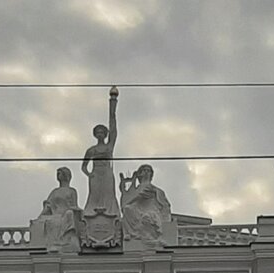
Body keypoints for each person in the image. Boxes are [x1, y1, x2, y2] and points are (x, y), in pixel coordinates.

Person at [81, 88, 119, 216]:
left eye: (102, 132)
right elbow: (83, 166)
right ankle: (92, 215)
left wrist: (113, 104)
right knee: (95, 195)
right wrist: (89, 174)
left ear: (105, 134)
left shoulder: (109, 147)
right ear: (95, 134)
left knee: (108, 194)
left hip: (107, 172)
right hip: (96, 174)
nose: (100, 134)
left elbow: (113, 127)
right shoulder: (91, 150)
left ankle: (110, 214)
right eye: (98, 132)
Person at [119, 164, 172, 244]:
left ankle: (147, 237)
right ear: (139, 174)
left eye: (148, 171)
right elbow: (126, 203)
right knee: (127, 209)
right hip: (137, 210)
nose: (146, 172)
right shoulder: (134, 190)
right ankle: (131, 234)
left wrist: (155, 193)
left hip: (151, 210)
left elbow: (165, 205)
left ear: (151, 175)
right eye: (144, 170)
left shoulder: (156, 190)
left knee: (147, 216)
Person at [35, 167, 79, 251]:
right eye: (57, 173)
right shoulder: (54, 191)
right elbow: (48, 206)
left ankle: (64, 239)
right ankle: (58, 241)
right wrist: (40, 216)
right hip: (55, 215)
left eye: (60, 173)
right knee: (50, 221)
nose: (58, 175)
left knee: (69, 214)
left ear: (66, 175)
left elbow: (74, 206)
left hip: (66, 215)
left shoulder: (72, 191)